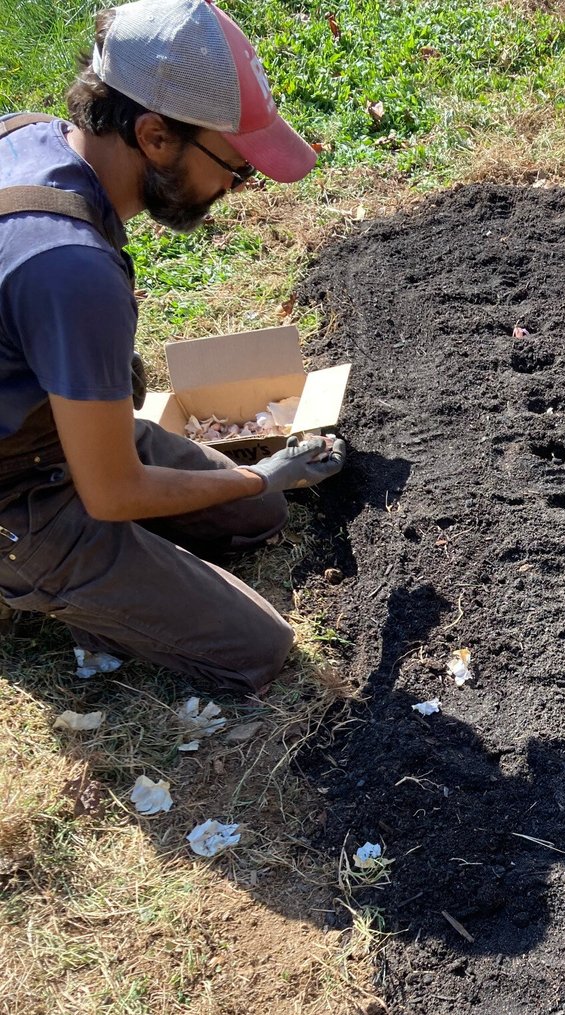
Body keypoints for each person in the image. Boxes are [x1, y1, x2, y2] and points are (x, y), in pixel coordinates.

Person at [0, 0, 345, 695]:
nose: (234, 189)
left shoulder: (29, 137)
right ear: (155, 135)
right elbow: (114, 490)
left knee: (259, 519)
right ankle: (30, 579)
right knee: (258, 648)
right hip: (20, 498)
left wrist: (259, 489)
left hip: (50, 441)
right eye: (233, 167)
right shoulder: (71, 268)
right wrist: (258, 471)